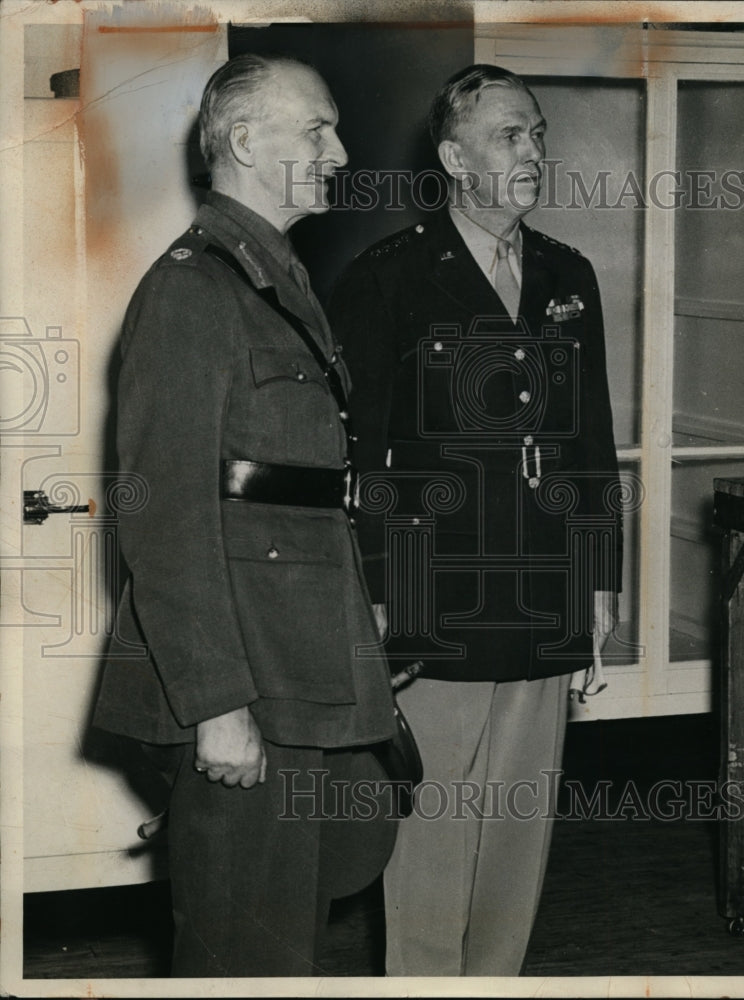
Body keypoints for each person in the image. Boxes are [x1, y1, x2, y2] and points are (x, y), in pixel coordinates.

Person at [92, 54, 399, 977]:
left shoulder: (274, 277)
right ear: (244, 141)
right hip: (247, 683)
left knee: (287, 931)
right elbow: (165, 520)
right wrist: (217, 705)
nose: (339, 153)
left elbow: (299, 499)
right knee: (242, 947)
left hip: (300, 665)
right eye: (317, 129)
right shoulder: (192, 289)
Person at [328, 64, 623, 976]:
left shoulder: (568, 275)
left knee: (517, 823)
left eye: (536, 134)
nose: (532, 151)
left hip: (545, 589)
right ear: (455, 160)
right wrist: (376, 590)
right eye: (508, 136)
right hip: (435, 595)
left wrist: (599, 578)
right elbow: (358, 453)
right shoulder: (388, 277)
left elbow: (591, 441)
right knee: (432, 820)